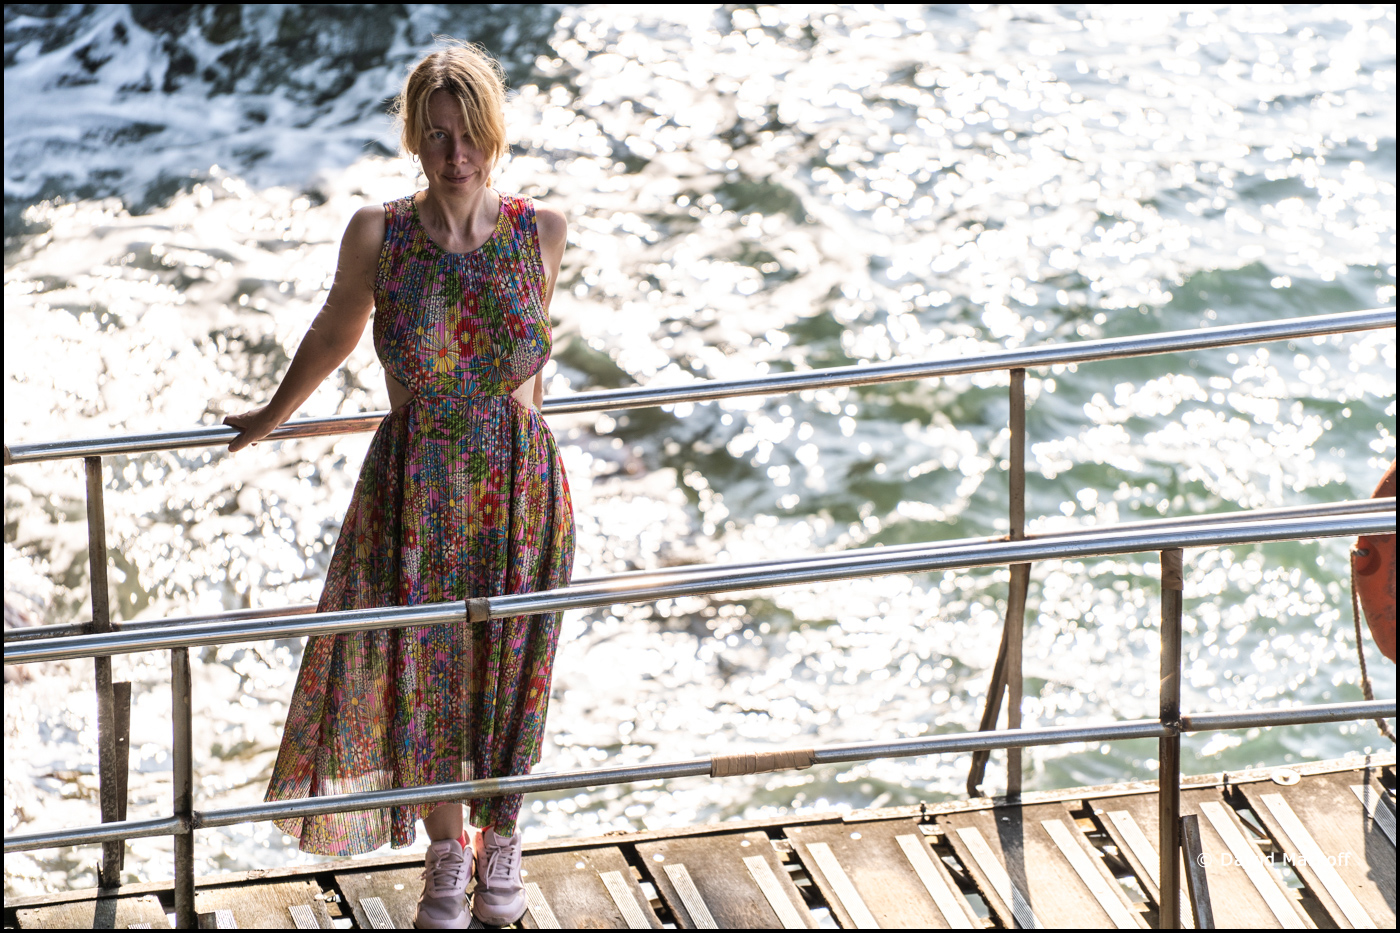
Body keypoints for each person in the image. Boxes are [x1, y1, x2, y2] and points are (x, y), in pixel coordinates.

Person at [223, 42, 575, 929]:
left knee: (509, 671)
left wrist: (525, 472)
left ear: (493, 134)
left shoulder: (544, 231)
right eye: (437, 138)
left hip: (517, 486)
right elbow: (338, 329)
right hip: (415, 484)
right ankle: (448, 855)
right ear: (415, 141)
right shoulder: (381, 234)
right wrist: (271, 412)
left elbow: (528, 376)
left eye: (469, 137)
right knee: (427, 674)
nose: (456, 157)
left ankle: (504, 839)